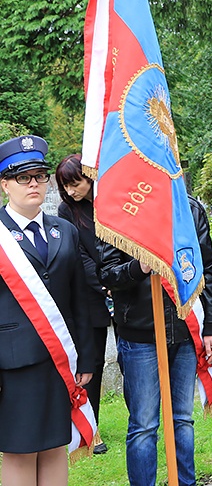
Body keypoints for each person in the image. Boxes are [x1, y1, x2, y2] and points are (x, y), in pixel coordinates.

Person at [100, 194, 212, 486]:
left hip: (184, 330)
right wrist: (137, 268)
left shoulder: (190, 208)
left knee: (182, 419)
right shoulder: (119, 206)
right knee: (144, 424)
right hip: (140, 333)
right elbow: (106, 273)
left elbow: (207, 269)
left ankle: (185, 482)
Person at [0, 135, 94, 486]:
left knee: (56, 445)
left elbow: (79, 301)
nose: (34, 184)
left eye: (39, 175)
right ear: (5, 184)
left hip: (60, 362)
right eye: (23, 177)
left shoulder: (64, 231)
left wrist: (85, 360)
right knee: (20, 451)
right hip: (13, 364)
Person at [55, 153, 112, 455]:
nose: (71, 191)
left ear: (88, 176)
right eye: (65, 186)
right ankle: (91, 428)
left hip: (125, 286)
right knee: (92, 363)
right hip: (93, 294)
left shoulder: (113, 197)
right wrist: (104, 285)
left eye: (74, 184)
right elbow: (80, 255)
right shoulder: (67, 211)